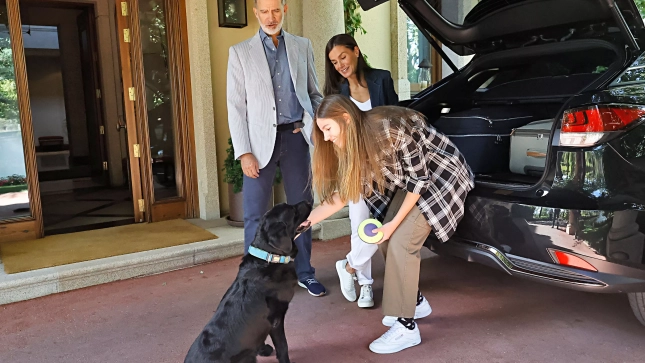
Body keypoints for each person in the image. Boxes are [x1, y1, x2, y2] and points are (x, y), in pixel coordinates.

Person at [302, 95, 474, 354]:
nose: (325, 137)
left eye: (327, 129)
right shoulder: (350, 143)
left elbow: (420, 179)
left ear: (345, 119)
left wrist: (393, 225)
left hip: (441, 175)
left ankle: (407, 328)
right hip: (412, 183)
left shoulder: (389, 129)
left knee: (402, 241)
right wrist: (304, 223)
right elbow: (342, 195)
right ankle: (414, 302)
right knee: (381, 236)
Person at [226, 0, 326, 296]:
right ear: (256, 13)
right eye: (264, 12)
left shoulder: (301, 46)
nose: (270, 17)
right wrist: (243, 151)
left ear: (285, 11)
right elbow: (236, 107)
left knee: (303, 211)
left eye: (276, 11)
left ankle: (304, 272)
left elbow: (314, 93)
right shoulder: (240, 53)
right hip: (257, 146)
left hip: (295, 138)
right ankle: (253, 278)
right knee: (255, 213)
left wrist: (314, 126)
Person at [323, 34, 398, 308]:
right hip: (355, 167)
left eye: (343, 56)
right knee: (360, 226)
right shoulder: (336, 95)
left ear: (356, 51)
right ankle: (366, 285)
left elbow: (396, 116)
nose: (340, 64)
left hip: (387, 166)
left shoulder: (382, 79)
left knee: (381, 225)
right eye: (334, 61)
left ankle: (349, 266)